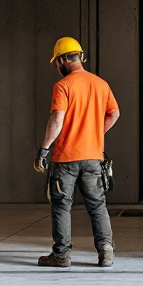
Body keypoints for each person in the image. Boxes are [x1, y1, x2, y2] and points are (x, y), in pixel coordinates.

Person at [33, 36, 120, 268]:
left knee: (61, 205)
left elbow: (57, 119)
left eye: (56, 62)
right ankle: (106, 252)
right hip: (93, 157)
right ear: (79, 56)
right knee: (97, 204)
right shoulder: (101, 84)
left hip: (66, 159)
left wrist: (44, 149)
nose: (57, 67)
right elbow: (114, 113)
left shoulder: (63, 86)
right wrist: (96, 135)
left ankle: (61, 255)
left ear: (62, 59)